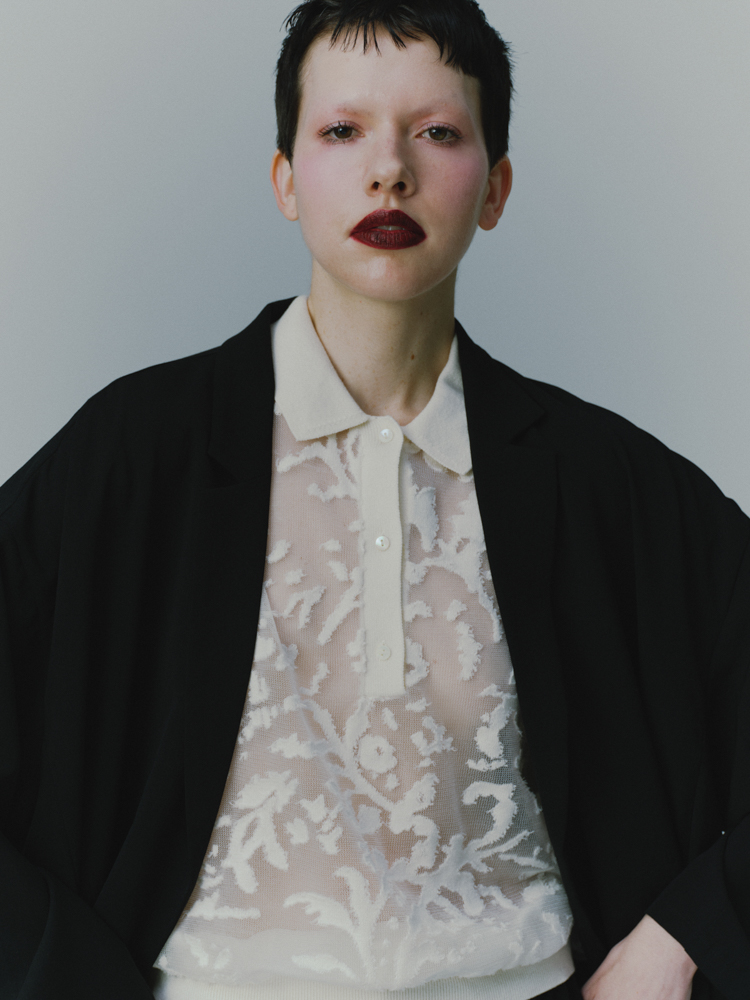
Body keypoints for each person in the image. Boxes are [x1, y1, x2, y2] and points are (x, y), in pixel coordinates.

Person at [1, 1, 749, 997]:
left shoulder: (609, 485)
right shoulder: (133, 456)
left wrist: (684, 937)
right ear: (286, 179)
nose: (388, 170)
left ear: (496, 187)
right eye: (342, 130)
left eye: (436, 132)